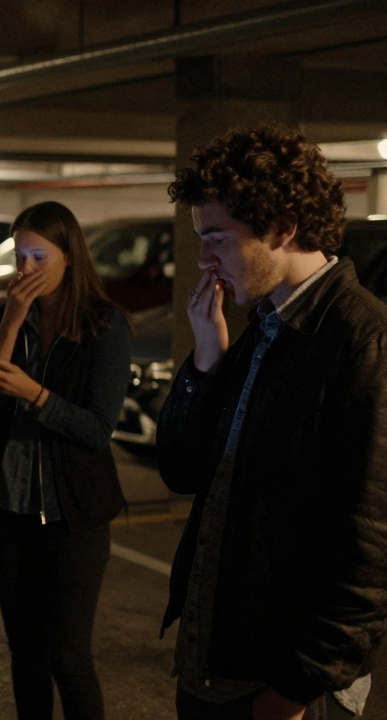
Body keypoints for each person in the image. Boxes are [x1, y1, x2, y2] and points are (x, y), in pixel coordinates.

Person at [158, 123, 387, 720]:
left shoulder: (362, 340)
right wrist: (206, 359)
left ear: (283, 227)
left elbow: (369, 547)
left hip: (286, 685)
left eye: (216, 239)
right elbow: (182, 470)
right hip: (220, 658)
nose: (203, 261)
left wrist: (296, 687)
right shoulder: (264, 325)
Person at [0, 201, 131, 720]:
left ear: (69, 256)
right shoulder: (10, 315)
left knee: (69, 655)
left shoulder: (105, 325)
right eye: (20, 256)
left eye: (38, 256)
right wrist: (12, 322)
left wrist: (36, 395)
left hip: (71, 513)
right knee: (26, 654)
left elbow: (97, 429)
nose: (26, 270)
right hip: (8, 507)